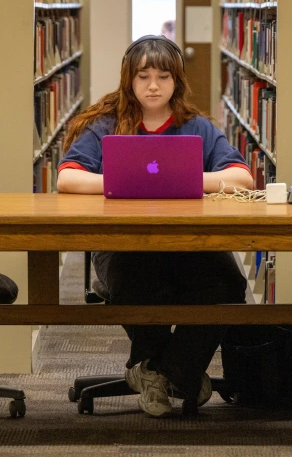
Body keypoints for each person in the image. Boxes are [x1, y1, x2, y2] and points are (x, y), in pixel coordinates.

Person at [56, 35, 254, 417]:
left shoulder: (196, 127)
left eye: (163, 76)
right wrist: (122, 182)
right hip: (122, 245)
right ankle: (170, 371)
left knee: (228, 282)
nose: (152, 85)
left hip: (190, 243)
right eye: (143, 76)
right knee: (140, 276)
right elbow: (67, 177)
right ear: (128, 79)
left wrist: (185, 181)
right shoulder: (105, 126)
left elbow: (241, 177)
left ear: (176, 81)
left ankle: (163, 370)